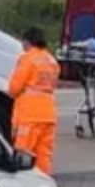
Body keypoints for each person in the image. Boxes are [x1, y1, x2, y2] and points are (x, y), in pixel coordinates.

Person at [8, 27, 59, 175]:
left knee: (24, 153)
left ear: (27, 42)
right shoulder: (51, 60)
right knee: (44, 154)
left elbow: (14, 88)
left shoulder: (28, 58)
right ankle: (43, 182)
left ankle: (24, 184)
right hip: (49, 114)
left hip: (30, 114)